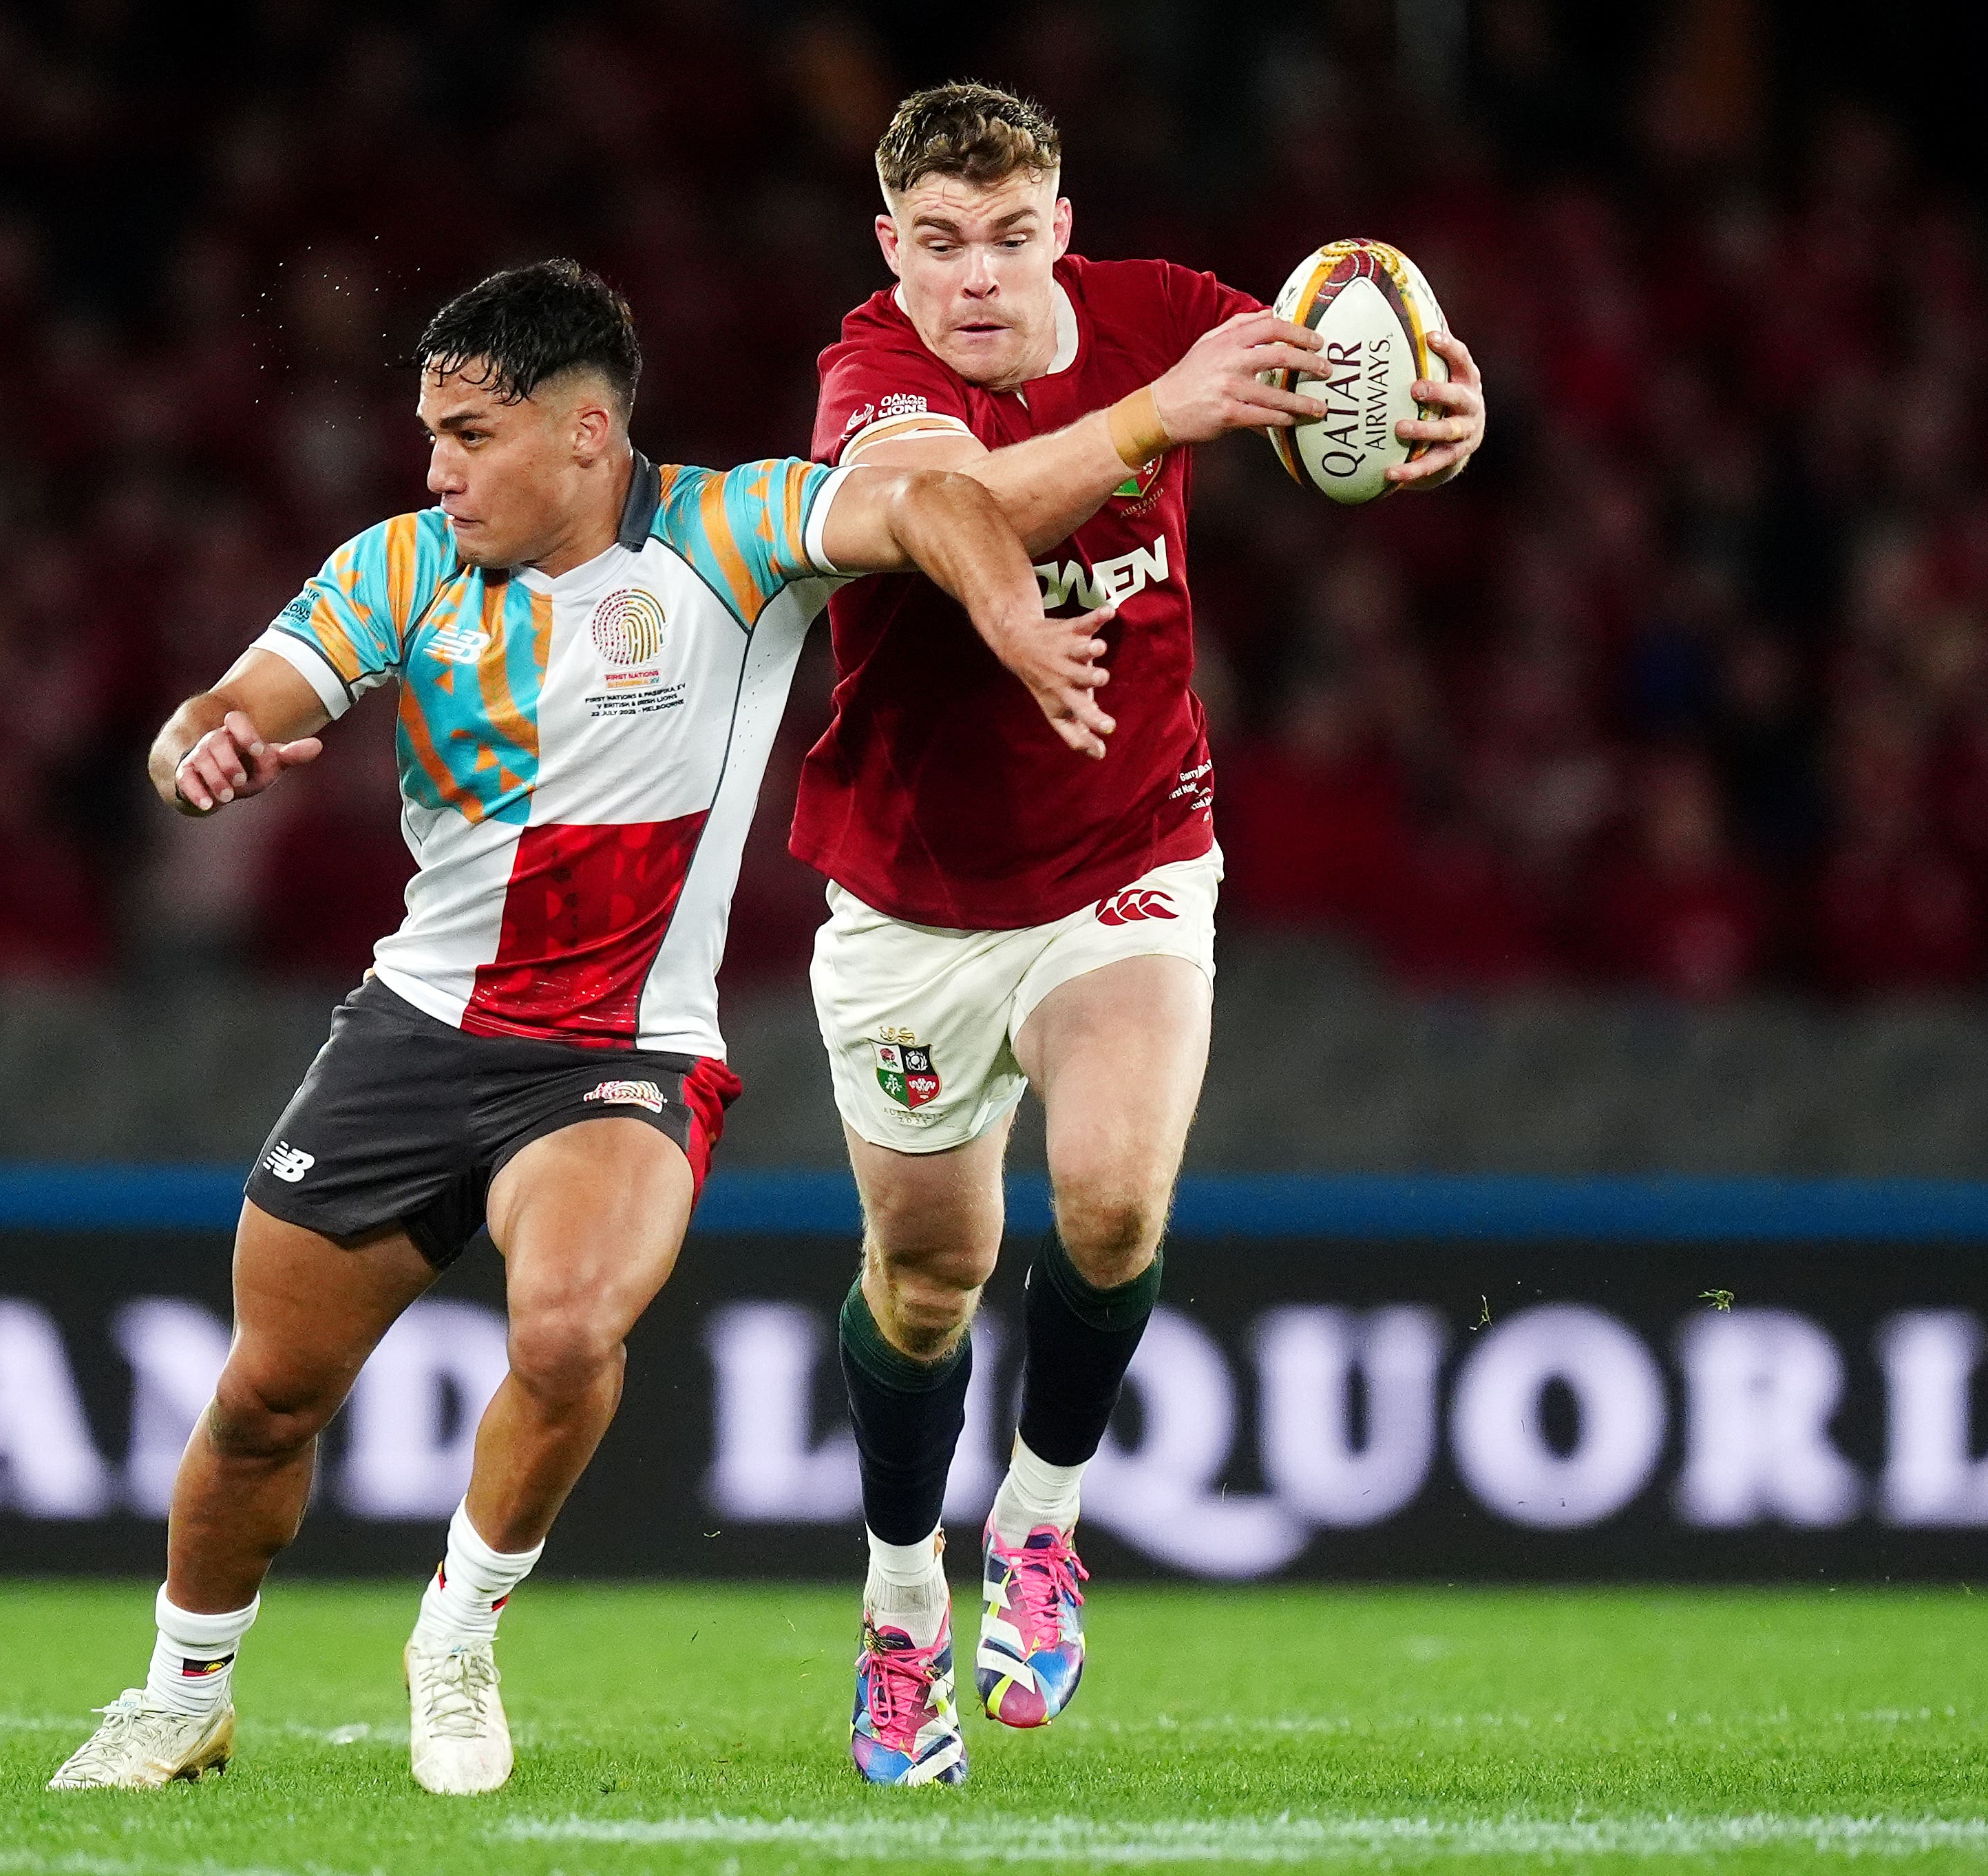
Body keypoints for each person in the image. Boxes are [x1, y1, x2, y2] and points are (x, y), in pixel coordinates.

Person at [47, 260, 1110, 1798]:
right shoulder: (399, 570)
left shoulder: (730, 535)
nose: (437, 468)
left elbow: (928, 506)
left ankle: (459, 1626)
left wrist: (1000, 601)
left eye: (471, 435)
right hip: (413, 1034)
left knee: (566, 1326)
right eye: (430, 433)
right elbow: (235, 702)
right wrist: (200, 748)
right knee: (265, 1395)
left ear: (588, 434)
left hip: (621, 1054)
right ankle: (181, 1690)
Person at [799, 83, 1488, 1785]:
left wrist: (1434, 413)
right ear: (892, 249)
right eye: (940, 244)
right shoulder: (867, 380)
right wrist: (1146, 425)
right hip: (910, 903)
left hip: (1129, 848)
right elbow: (958, 520)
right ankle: (901, 1614)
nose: (977, 276)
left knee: (1108, 1201)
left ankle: (1041, 1524)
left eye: (1012, 237)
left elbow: (1344, 369)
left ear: (1061, 226)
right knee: (930, 1274)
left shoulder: (1161, 313)